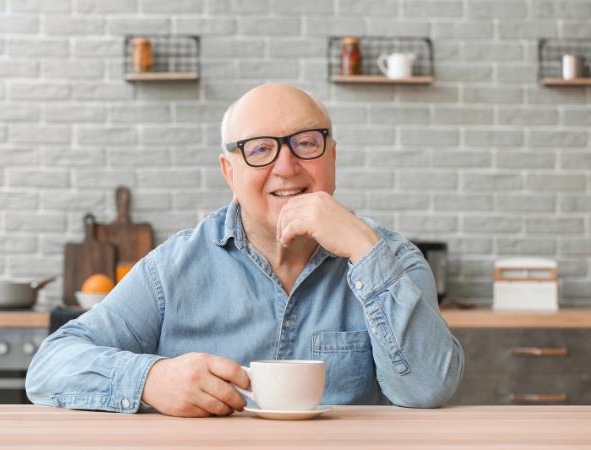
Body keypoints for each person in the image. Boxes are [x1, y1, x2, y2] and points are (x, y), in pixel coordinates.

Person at [26, 83, 464, 417]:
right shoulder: (174, 267)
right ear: (229, 171)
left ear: (331, 156)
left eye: (306, 143)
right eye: (259, 150)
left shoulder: (392, 260)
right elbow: (49, 366)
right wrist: (149, 379)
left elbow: (427, 389)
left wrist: (363, 250)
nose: (287, 167)